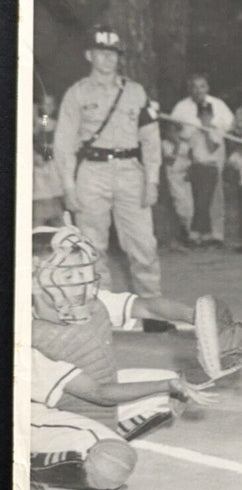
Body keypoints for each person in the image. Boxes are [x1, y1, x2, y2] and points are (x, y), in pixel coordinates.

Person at [30, 222, 222, 489]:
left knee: (171, 396)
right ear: (33, 281)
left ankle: (90, 442)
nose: (80, 284)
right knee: (110, 467)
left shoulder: (86, 301)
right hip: (36, 416)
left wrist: (197, 315)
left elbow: (145, 306)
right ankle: (25, 464)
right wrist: (165, 384)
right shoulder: (22, 336)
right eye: (68, 276)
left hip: (80, 400)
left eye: (81, 272)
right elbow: (98, 392)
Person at [53, 27, 163, 299]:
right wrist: (68, 187)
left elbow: (150, 140)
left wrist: (152, 180)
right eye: (101, 53)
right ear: (89, 55)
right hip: (92, 173)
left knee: (143, 245)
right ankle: (101, 311)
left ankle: (152, 310)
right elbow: (63, 144)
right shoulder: (76, 94)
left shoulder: (135, 92)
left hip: (130, 173)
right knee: (91, 246)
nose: (108, 59)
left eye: (113, 54)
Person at [171, 74, 234, 246]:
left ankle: (216, 233)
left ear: (207, 88)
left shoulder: (218, 105)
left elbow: (228, 126)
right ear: (189, 89)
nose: (198, 90)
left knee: (214, 190)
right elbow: (173, 128)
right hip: (190, 151)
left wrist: (211, 128)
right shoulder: (182, 106)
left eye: (202, 86)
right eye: (194, 86)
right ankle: (196, 231)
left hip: (213, 149)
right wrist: (180, 143)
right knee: (193, 192)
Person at [33, 93, 65, 226]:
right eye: (45, 104)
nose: (48, 107)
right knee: (42, 202)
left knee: (56, 201)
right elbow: (43, 131)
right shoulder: (40, 122)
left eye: (51, 104)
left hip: (54, 167)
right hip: (41, 167)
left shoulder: (57, 123)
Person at [160, 120, 193, 246]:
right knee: (178, 204)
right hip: (172, 177)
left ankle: (188, 233)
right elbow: (170, 162)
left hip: (184, 176)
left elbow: (190, 160)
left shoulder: (186, 145)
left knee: (188, 204)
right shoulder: (165, 144)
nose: (172, 133)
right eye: (169, 131)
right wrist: (177, 145)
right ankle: (179, 232)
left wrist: (189, 172)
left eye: (174, 131)